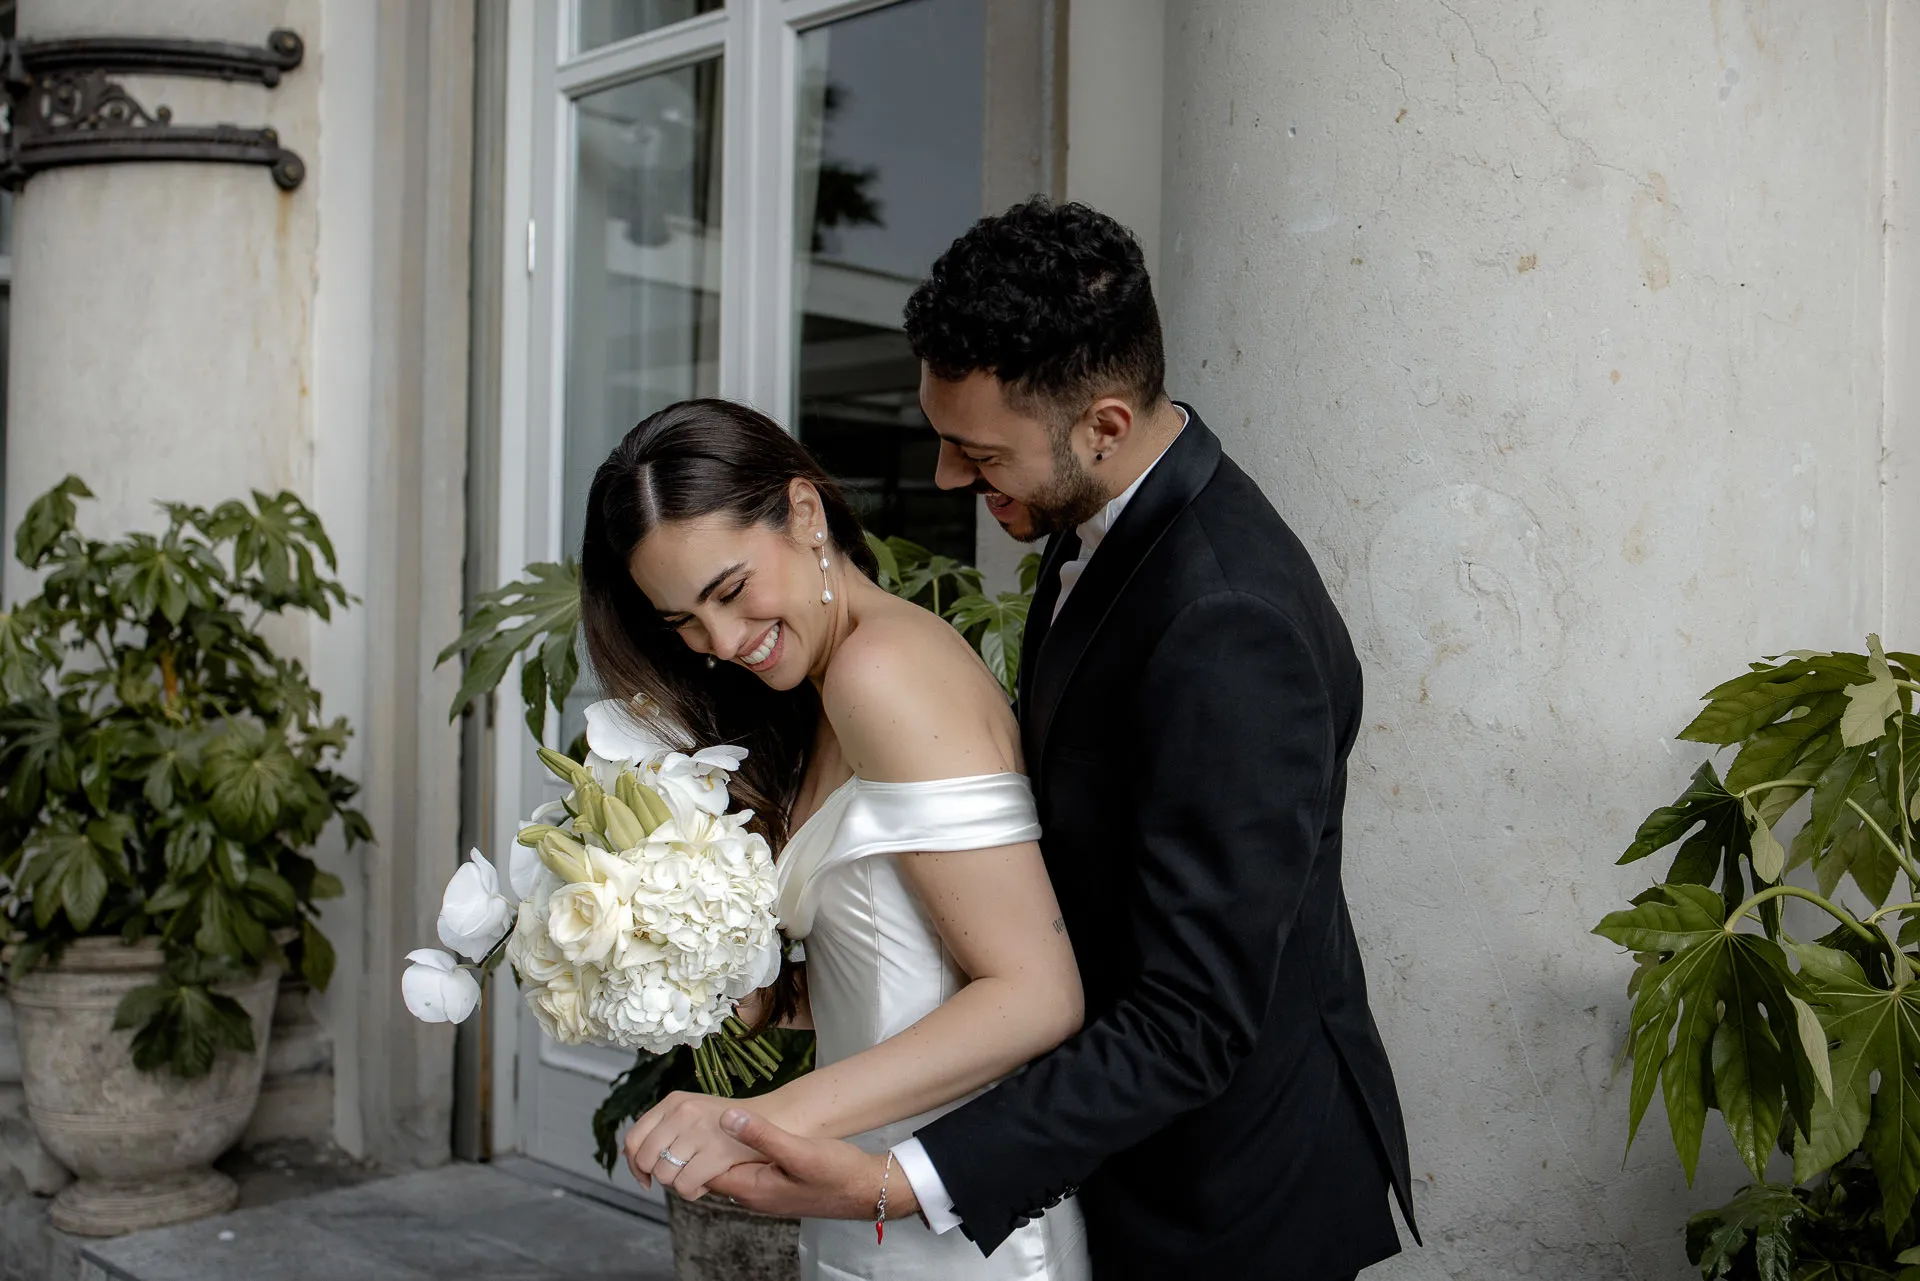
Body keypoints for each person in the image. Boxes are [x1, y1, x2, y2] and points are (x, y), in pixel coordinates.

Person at [703, 199, 1419, 1280]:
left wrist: (906, 1182)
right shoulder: (1108, 526)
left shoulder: (1228, 621)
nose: (948, 478)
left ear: (1106, 426)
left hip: (1223, 1204)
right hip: (1117, 1152)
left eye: (976, 452)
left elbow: (1194, 1018)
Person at [578, 398, 1095, 1280]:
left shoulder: (880, 670)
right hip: (867, 1202)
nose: (723, 643)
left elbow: (1036, 994)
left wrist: (756, 1120)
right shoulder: (825, 692)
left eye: (731, 591)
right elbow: (907, 968)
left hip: (952, 1227)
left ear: (806, 512)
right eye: (685, 625)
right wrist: (703, 973)